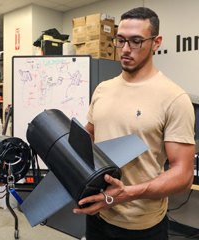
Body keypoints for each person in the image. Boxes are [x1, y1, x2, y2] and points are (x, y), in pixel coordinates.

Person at [73, 7, 195, 240]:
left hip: (141, 225)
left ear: (156, 42)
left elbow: (183, 175)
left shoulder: (174, 98)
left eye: (136, 41)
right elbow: (89, 136)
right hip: (98, 214)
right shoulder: (103, 89)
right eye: (120, 40)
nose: (126, 49)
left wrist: (127, 194)